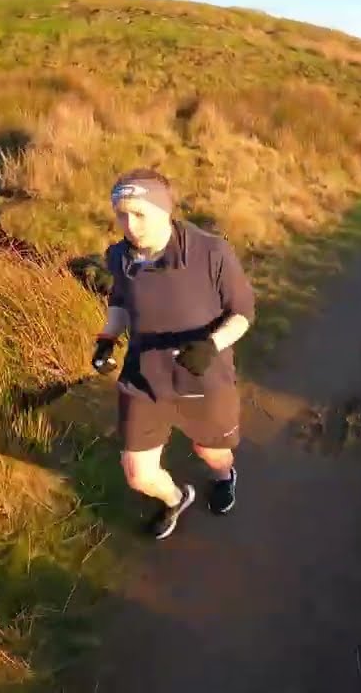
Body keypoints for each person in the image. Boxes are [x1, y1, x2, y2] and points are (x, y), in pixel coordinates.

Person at [91, 168, 256, 540]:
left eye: (139, 214)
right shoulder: (118, 256)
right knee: (138, 474)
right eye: (121, 214)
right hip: (144, 379)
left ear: (165, 210)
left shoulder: (211, 252)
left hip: (202, 378)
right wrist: (107, 337)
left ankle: (223, 476)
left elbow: (243, 312)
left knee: (211, 452)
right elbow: (120, 298)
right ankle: (176, 498)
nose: (129, 225)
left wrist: (210, 345)